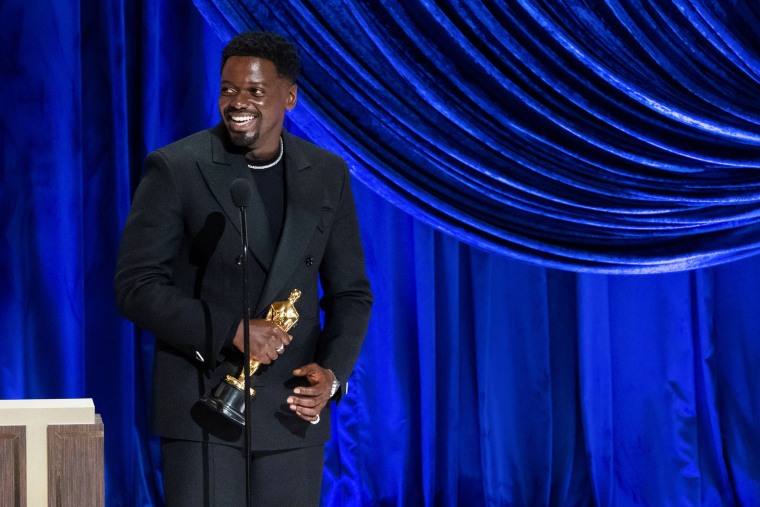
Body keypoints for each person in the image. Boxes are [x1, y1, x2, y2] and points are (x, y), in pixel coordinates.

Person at [114, 31, 373, 506]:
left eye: (255, 91)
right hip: (203, 405)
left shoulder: (327, 174)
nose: (238, 102)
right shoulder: (178, 168)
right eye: (228, 89)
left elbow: (351, 293)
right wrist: (230, 329)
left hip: (291, 411)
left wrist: (332, 376)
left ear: (289, 97)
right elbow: (136, 286)